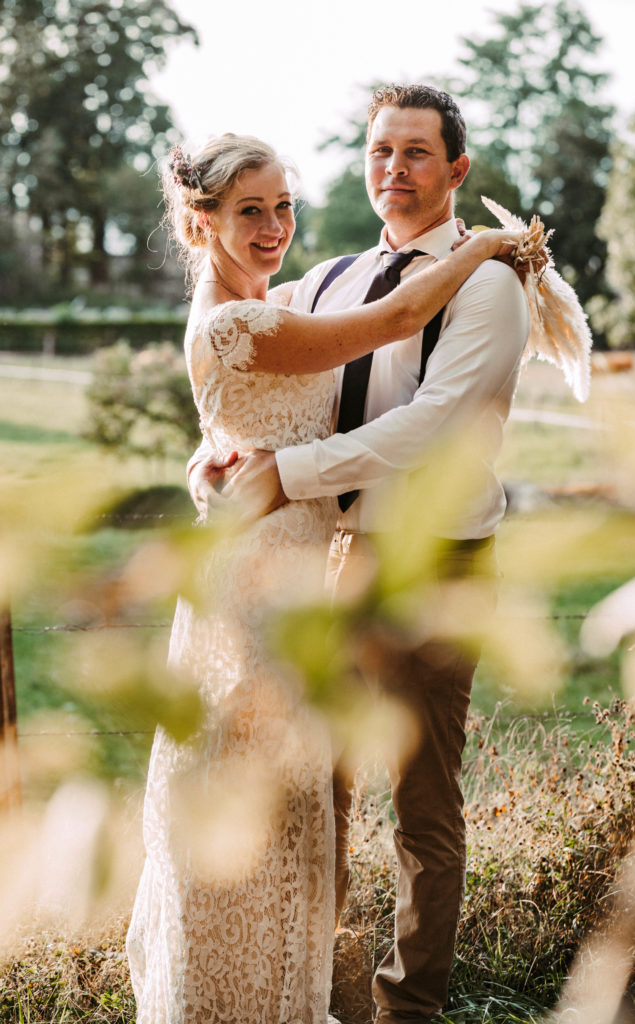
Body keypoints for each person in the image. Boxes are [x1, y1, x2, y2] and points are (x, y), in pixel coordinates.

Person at [126, 129, 523, 1024]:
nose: (393, 168)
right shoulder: (332, 282)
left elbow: (428, 423)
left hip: (432, 563)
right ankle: (292, 994)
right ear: (203, 222)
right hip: (299, 574)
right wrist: (217, 459)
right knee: (306, 794)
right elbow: (289, 357)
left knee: (419, 804)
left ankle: (400, 1010)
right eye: (381, 149)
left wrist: (255, 466)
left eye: (416, 152)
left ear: (456, 169)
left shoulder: (484, 286)